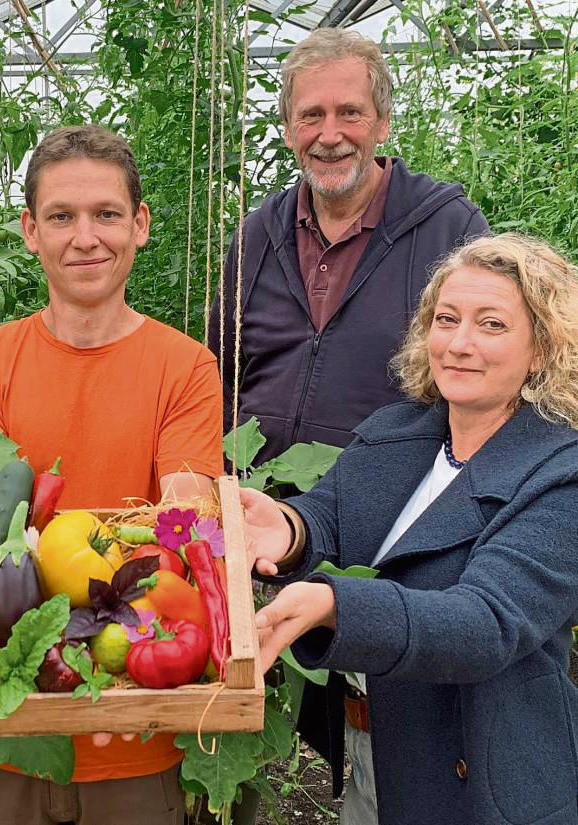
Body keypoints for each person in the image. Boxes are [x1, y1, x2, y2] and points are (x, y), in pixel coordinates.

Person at [207, 28, 490, 814]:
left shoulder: (445, 228)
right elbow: (217, 369)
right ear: (288, 126)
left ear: (382, 122)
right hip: (269, 523)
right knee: (255, 712)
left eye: (349, 112)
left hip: (393, 525)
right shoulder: (257, 236)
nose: (328, 134)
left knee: (384, 728)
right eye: (309, 116)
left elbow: (479, 379)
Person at [243, 233, 578, 825]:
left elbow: (485, 623)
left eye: (492, 325)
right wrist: (289, 528)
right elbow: (332, 516)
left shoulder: (561, 474)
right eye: (446, 319)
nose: (459, 343)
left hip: (483, 777)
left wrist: (335, 604)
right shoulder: (399, 433)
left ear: (544, 348)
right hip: (378, 750)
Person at [0, 125, 223, 825]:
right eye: (61, 217)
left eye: (105, 214)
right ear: (30, 231)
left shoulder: (184, 366)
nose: (85, 237)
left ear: (140, 225)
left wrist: (69, 538)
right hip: (4, 714)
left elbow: (185, 520)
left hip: (135, 717)